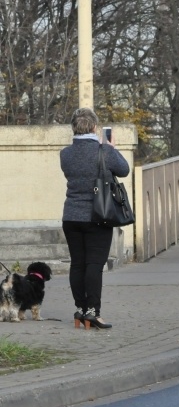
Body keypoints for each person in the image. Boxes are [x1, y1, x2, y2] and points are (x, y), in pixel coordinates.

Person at [60, 108, 130, 330]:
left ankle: (80, 310)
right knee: (94, 265)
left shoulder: (65, 154)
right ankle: (93, 312)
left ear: (73, 127)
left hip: (71, 216)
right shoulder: (104, 152)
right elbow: (124, 170)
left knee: (77, 264)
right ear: (94, 127)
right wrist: (111, 149)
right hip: (98, 215)